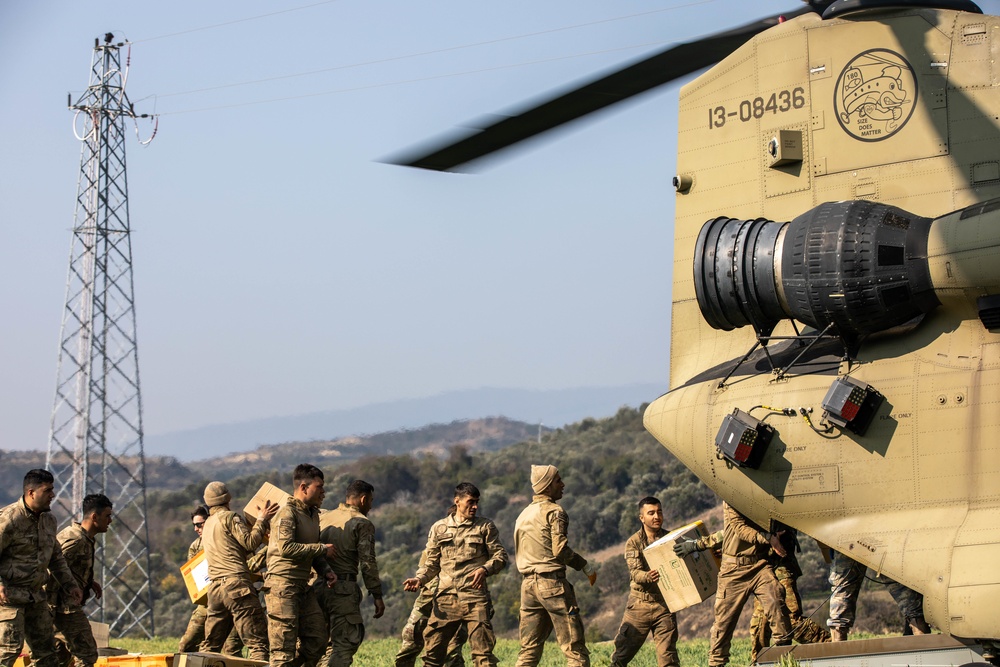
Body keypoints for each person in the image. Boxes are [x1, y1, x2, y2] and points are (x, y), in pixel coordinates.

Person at [403, 483, 507, 667]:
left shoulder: (485, 527)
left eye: (477, 502)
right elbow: (432, 564)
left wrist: (485, 569)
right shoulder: (439, 528)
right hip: (445, 600)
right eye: (470, 502)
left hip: (475, 599)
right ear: (457, 501)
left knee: (483, 656)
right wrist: (419, 579)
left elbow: (500, 556)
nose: (474, 506)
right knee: (433, 656)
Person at [513, 465, 596, 667]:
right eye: (558, 480)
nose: (563, 484)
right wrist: (584, 566)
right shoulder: (555, 511)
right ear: (548, 487)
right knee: (574, 649)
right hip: (552, 585)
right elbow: (559, 550)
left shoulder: (523, 514)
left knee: (529, 650)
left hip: (527, 587)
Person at [0, 469, 82, 667]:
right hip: (10, 599)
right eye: (48, 491)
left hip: (36, 598)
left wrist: (70, 585)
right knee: (8, 653)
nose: (52, 495)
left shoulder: (49, 521)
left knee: (47, 655)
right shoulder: (9, 519)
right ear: (31, 493)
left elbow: (55, 557)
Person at [265, 464, 337, 667]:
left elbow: (310, 551)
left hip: (302, 586)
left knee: (317, 641)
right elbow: (286, 548)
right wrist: (322, 548)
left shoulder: (312, 515)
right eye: (319, 486)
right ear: (304, 487)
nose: (323, 491)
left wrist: (326, 570)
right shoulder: (287, 513)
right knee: (283, 650)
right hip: (282, 587)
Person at [200, 481, 278, 660]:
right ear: (227, 498)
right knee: (258, 643)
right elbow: (250, 542)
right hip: (236, 585)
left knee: (210, 647)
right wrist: (261, 520)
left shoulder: (208, 524)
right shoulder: (229, 517)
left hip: (215, 589)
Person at [707, 502, 791, 667]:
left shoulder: (765, 495)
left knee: (776, 598)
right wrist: (768, 538)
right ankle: (716, 663)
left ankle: (786, 655)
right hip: (733, 568)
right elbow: (740, 528)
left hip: (759, 564)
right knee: (723, 622)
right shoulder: (732, 496)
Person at [316, 480, 384, 667]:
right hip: (343, 590)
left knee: (317, 644)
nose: (370, 506)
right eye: (370, 501)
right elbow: (368, 562)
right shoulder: (362, 523)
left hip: (315, 588)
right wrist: (376, 594)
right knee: (344, 644)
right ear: (363, 499)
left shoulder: (323, 517)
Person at [610, 496, 678, 667]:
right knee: (621, 657)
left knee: (668, 658)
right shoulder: (633, 543)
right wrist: (648, 576)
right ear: (642, 518)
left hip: (665, 605)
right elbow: (635, 573)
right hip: (639, 606)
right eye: (651, 513)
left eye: (659, 512)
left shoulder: (671, 538)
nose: (657, 516)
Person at [747, 526, 830, 662]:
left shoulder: (772, 513)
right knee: (760, 624)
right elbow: (740, 531)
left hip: (781, 569)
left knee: (790, 621)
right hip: (763, 572)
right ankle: (759, 663)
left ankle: (830, 647)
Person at [49, 494, 113, 667]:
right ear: (94, 517)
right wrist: (50, 609)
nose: (110, 520)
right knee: (87, 654)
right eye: (107, 516)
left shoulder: (84, 538)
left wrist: (88, 581)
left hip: (62, 609)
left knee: (58, 658)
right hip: (63, 609)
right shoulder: (75, 540)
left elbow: (68, 567)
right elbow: (51, 568)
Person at [827, 551, 930, 640]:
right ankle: (923, 643)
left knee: (841, 597)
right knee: (908, 599)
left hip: (848, 538)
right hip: (881, 540)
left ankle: (837, 649)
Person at [394, 558, 467, 667]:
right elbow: (427, 563)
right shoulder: (435, 542)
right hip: (427, 600)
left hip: (457, 600)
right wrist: (420, 579)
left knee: (452, 653)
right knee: (409, 645)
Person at [178, 506, 210, 653]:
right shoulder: (195, 546)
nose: (196, 529)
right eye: (194, 525)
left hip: (229, 599)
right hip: (207, 602)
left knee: (230, 649)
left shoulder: (224, 538)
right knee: (186, 645)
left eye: (199, 524)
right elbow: (192, 575)